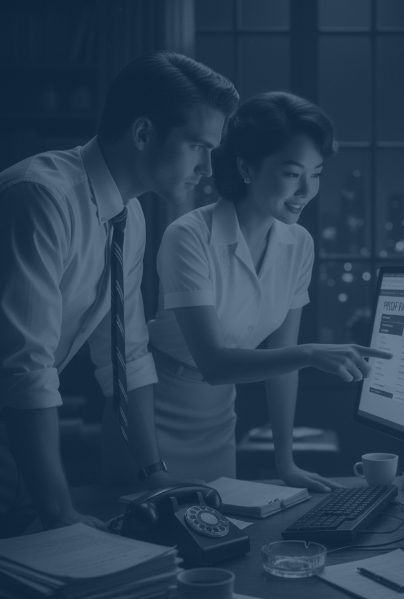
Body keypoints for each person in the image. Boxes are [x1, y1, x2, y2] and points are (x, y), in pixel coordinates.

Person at [0, 51, 239, 533]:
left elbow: (126, 357)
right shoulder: (40, 197)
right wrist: (59, 512)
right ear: (144, 133)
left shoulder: (128, 216)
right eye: (197, 146)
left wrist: (154, 476)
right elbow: (25, 366)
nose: (208, 167)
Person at [142, 91, 392, 492]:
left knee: (220, 537)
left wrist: (286, 463)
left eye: (317, 173)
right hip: (154, 411)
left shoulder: (299, 244)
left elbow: (282, 366)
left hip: (220, 415)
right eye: (292, 173)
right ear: (246, 167)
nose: (307, 190)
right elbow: (215, 364)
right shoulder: (189, 236)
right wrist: (312, 353)